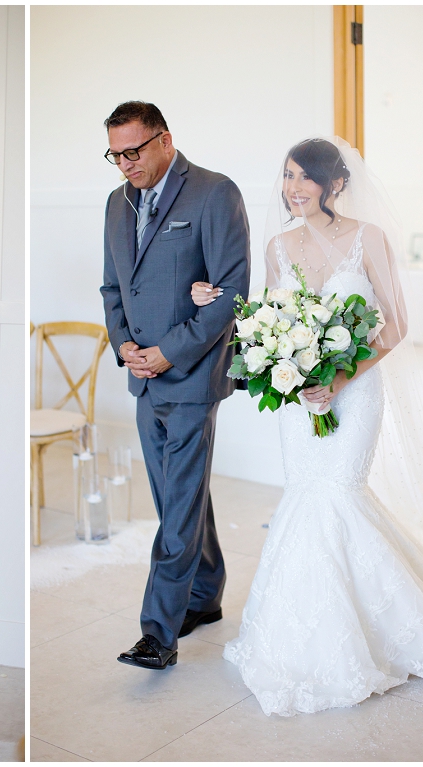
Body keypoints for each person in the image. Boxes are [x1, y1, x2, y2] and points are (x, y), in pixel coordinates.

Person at [192, 137, 423, 716]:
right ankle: (302, 630)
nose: (292, 188)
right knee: (305, 494)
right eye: (287, 177)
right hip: (300, 399)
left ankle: (378, 627)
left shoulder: (366, 239)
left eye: (304, 177)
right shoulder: (278, 247)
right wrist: (222, 302)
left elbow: (396, 323)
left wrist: (342, 379)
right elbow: (266, 318)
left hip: (357, 390)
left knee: (340, 493)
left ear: (336, 184)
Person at [99, 101, 251, 670]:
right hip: (142, 377)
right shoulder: (117, 204)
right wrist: (125, 347)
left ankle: (158, 633)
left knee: (177, 508)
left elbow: (232, 292)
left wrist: (169, 352)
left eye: (134, 151)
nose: (125, 165)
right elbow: (113, 287)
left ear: (166, 140)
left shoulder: (214, 193)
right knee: (176, 496)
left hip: (190, 376)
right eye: (115, 154)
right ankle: (206, 592)